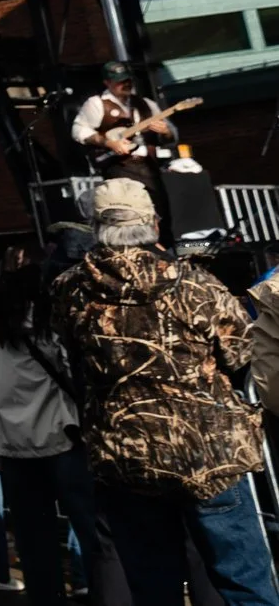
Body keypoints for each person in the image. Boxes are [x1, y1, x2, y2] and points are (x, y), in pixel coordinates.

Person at [51, 177, 274, 606]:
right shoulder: (195, 284)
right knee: (245, 582)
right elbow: (240, 350)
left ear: (95, 227)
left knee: (153, 588)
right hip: (208, 454)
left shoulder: (70, 289)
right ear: (152, 222)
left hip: (126, 455)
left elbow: (72, 352)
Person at [0, 250, 118, 606]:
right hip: (63, 436)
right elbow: (72, 369)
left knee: (34, 539)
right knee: (91, 532)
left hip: (13, 443)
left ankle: (46, 598)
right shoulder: (53, 317)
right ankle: (105, 595)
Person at [70, 63, 181, 188]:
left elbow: (172, 136)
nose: (126, 84)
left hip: (150, 168)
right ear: (107, 82)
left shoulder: (146, 104)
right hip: (119, 168)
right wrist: (108, 143)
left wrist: (166, 132)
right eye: (120, 81)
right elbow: (78, 130)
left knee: (158, 205)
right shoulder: (97, 103)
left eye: (128, 80)